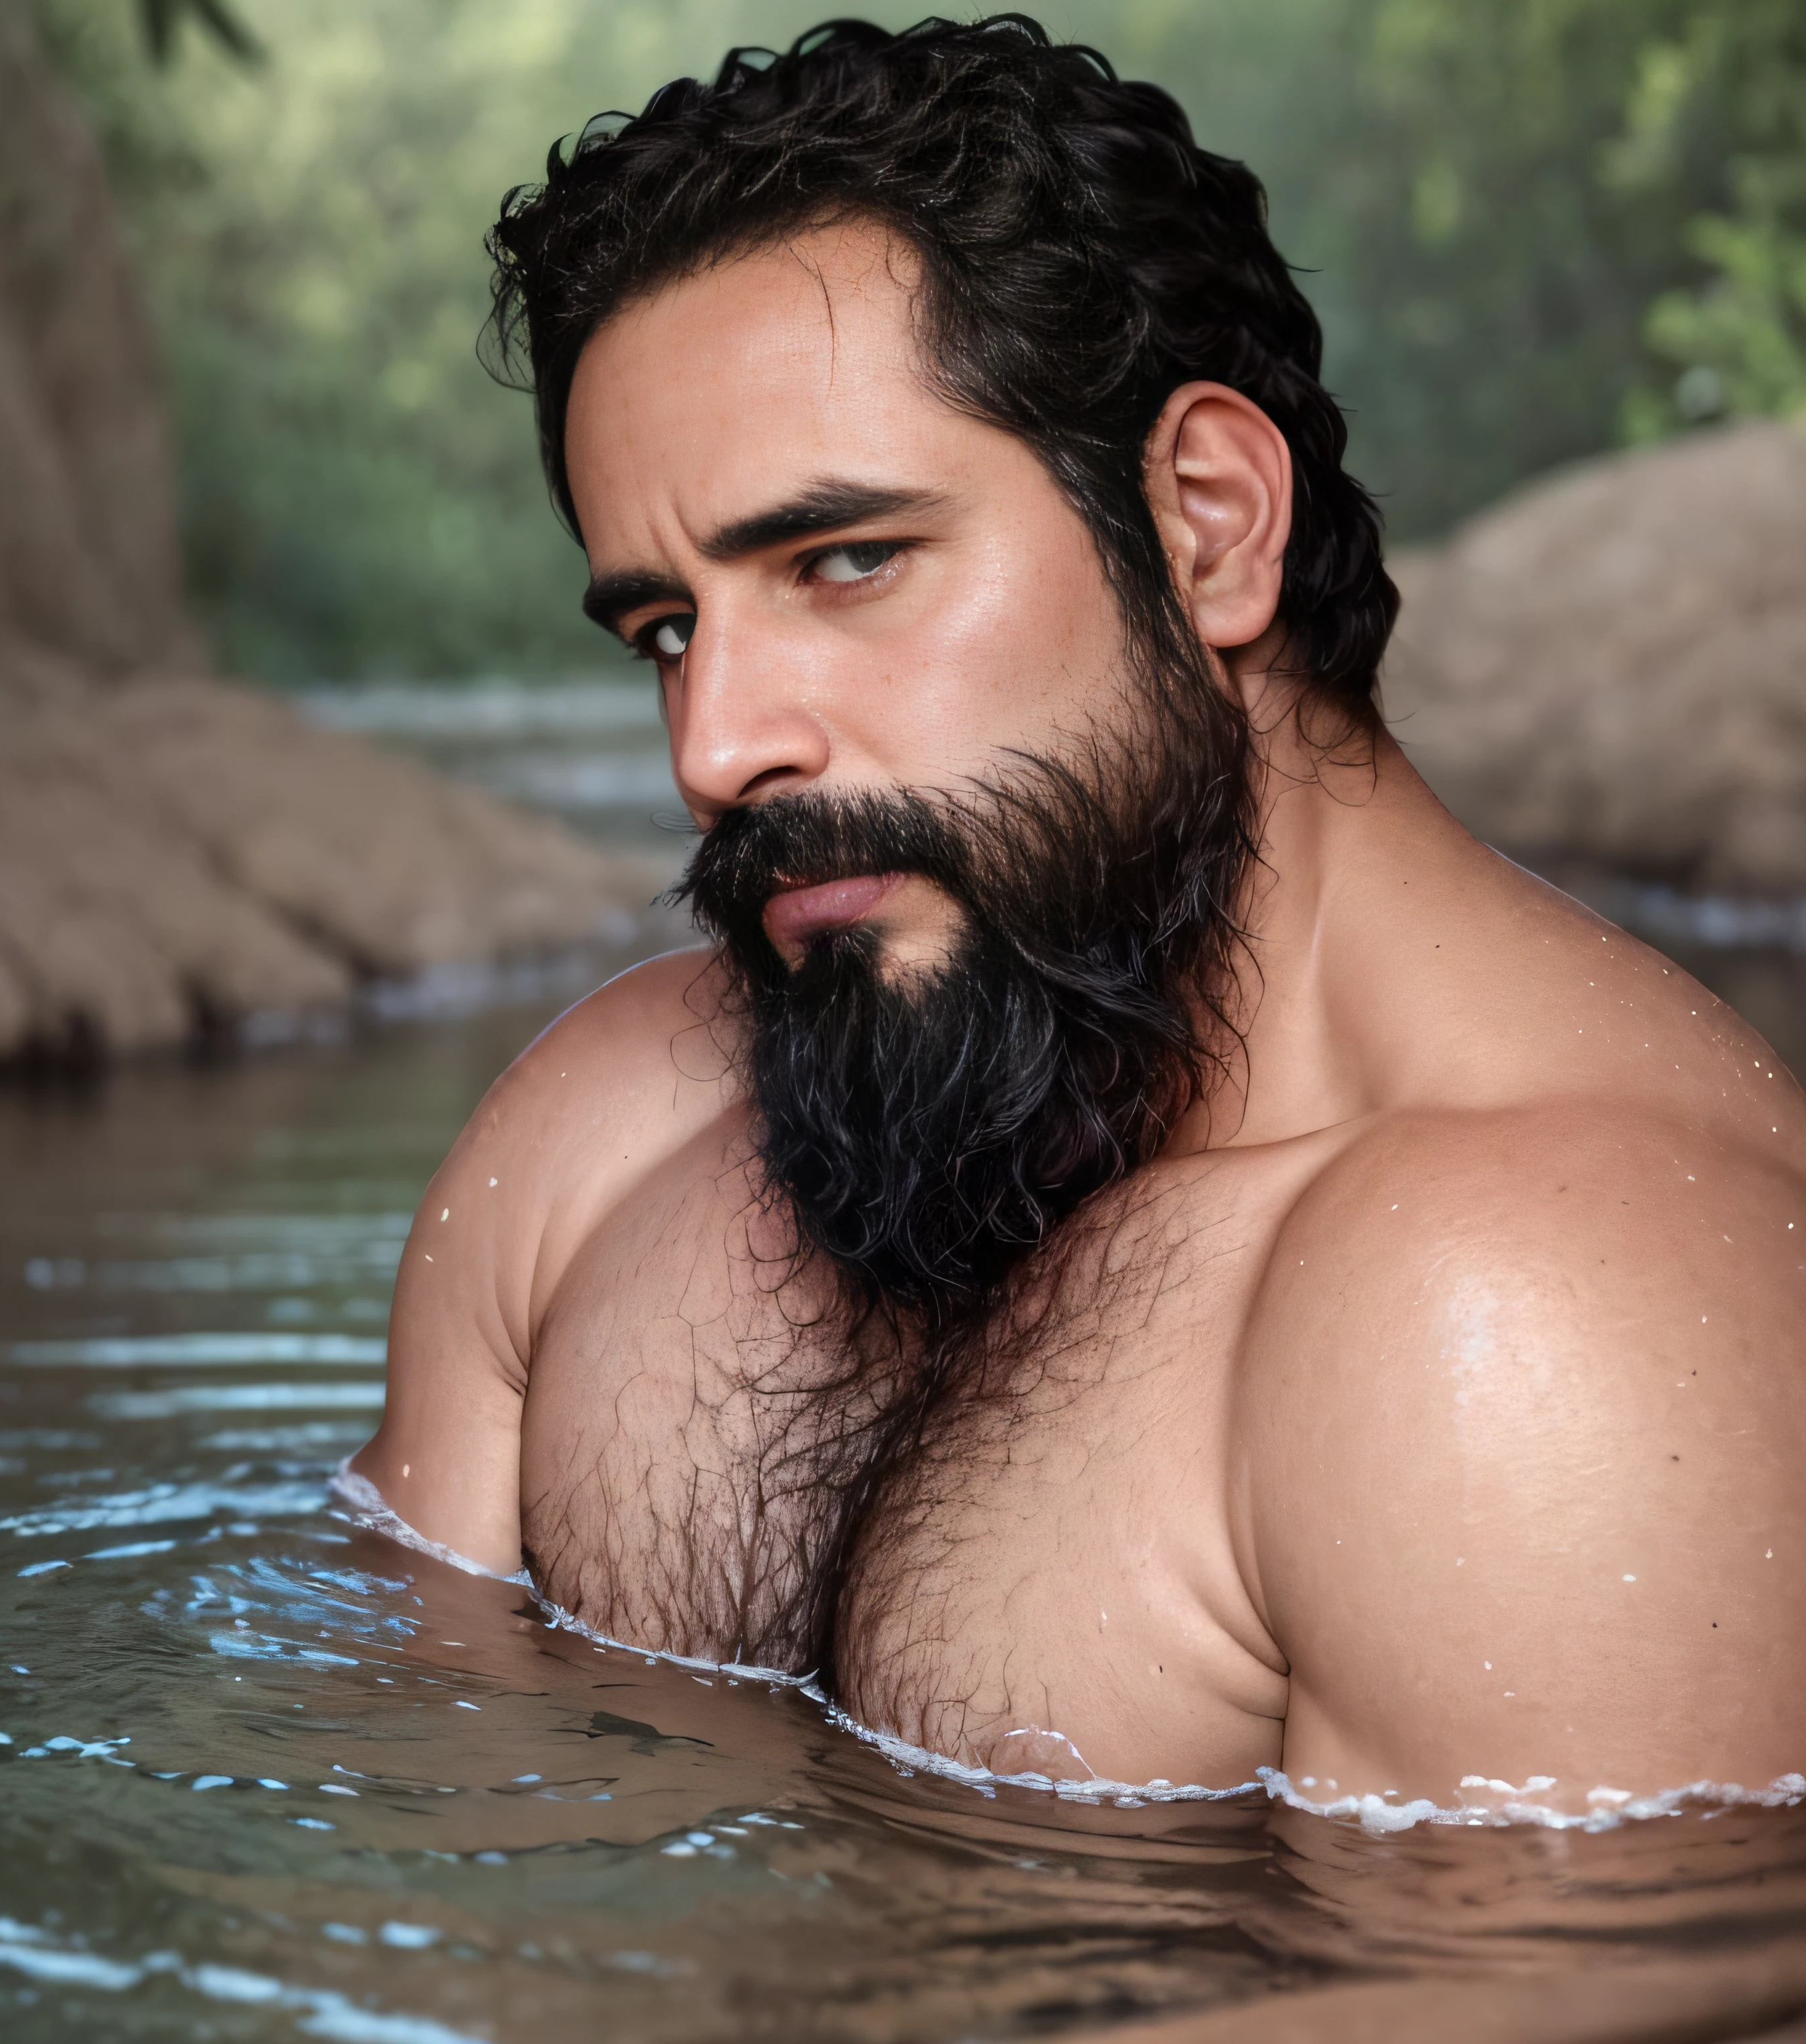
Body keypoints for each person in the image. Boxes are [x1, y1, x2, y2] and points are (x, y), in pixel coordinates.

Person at [349, 17, 1806, 1814]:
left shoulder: (1542, 1324)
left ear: (1204, 525)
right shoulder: (601, 1138)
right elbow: (381, 1846)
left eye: (847, 562)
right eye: (669, 630)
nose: (716, 746)